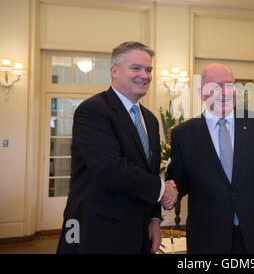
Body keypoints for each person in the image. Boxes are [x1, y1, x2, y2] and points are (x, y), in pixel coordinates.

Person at [56, 41, 178, 254]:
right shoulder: (93, 111)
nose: (145, 75)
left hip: (139, 232)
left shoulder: (150, 119)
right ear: (114, 71)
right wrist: (162, 190)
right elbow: (109, 169)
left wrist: (155, 219)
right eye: (136, 68)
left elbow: (149, 172)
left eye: (148, 69)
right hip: (97, 232)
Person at [164, 63, 254, 254]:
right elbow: (179, 179)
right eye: (215, 86)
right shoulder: (183, 134)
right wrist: (172, 189)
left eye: (229, 85)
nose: (224, 92)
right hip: (208, 240)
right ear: (202, 93)